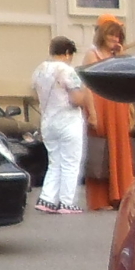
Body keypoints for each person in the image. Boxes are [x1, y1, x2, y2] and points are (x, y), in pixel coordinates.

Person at [82, 15, 135, 212]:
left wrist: (131, 110)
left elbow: (126, 83)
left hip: (118, 106)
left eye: (118, 37)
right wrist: (92, 112)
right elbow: (87, 86)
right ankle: (100, 199)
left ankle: (121, 194)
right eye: (112, 36)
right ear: (103, 36)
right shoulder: (92, 55)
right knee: (101, 152)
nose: (115, 40)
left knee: (120, 149)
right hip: (101, 106)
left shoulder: (116, 57)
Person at [33, 36, 88, 213]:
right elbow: (77, 99)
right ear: (66, 53)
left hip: (48, 120)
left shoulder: (40, 70)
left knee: (54, 161)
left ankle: (47, 199)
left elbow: (36, 96)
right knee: (71, 162)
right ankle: (67, 202)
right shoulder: (67, 71)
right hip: (68, 121)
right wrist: (85, 90)